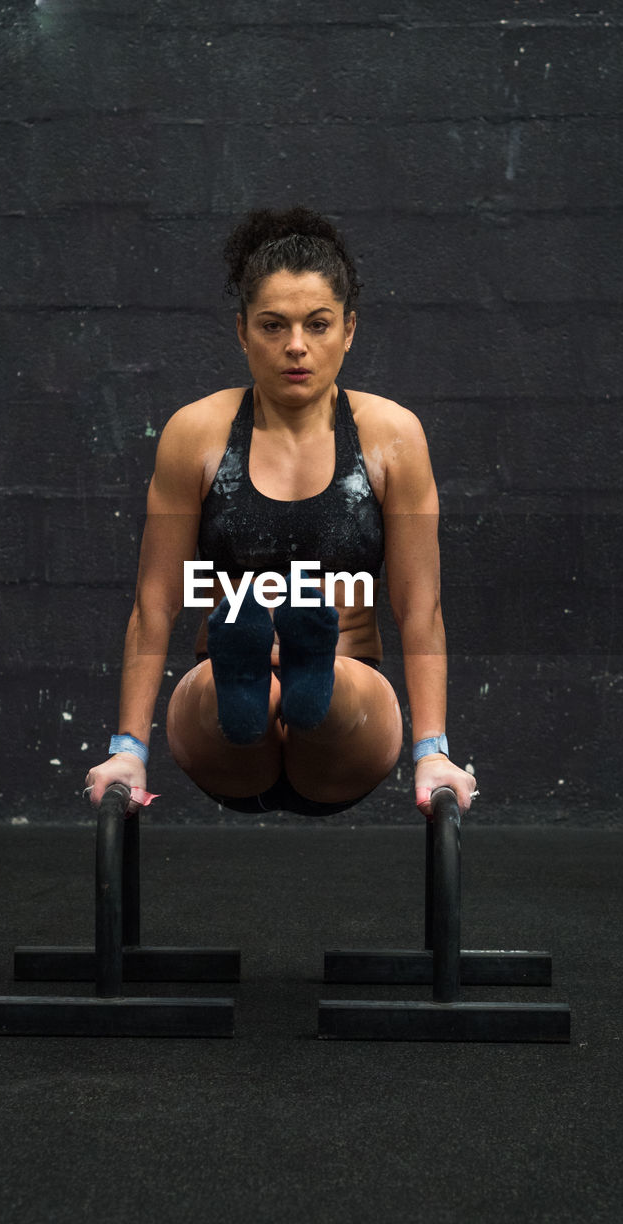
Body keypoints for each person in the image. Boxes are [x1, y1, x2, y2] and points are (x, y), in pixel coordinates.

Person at [84, 206, 477, 818]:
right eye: (273, 326)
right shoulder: (197, 434)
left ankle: (308, 679)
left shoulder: (390, 437)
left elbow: (418, 607)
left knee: (335, 690)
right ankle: (253, 680)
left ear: (349, 329)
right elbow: (155, 602)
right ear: (242, 331)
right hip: (222, 711)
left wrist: (433, 752)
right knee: (226, 691)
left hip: (350, 701)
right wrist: (128, 750)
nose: (296, 346)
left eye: (317, 325)